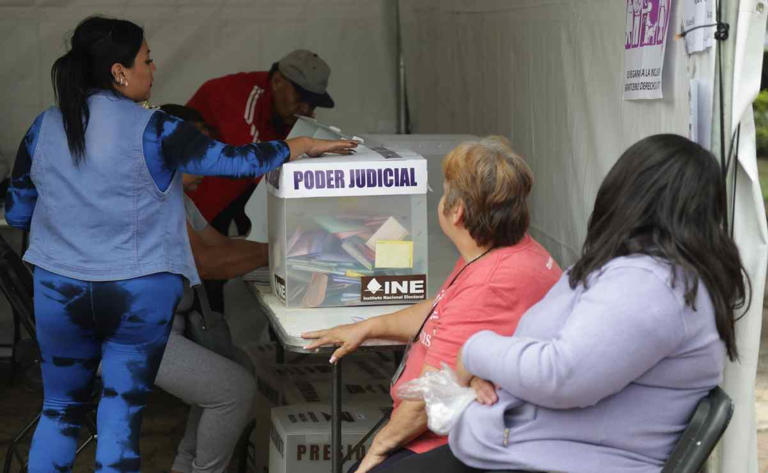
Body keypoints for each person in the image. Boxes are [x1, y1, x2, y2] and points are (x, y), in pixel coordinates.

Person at [3, 16, 356, 473]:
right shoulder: (156, 129)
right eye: (146, 60)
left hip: (58, 293)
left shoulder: (43, 127)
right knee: (120, 414)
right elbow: (231, 161)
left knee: (61, 410)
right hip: (132, 295)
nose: (154, 68)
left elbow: (17, 211)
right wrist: (300, 145)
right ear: (118, 72)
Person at [382, 134, 749, 473]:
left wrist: (475, 353)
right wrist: (497, 370)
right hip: (529, 451)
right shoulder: (647, 274)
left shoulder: (650, 284)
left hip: (548, 461)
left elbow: (563, 374)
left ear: (628, 194)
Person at [302, 137, 562, 473]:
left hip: (451, 442)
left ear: (457, 212)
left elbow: (429, 397)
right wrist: (368, 327)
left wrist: (377, 450)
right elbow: (441, 310)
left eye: (444, 192)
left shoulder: (493, 281)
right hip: (442, 432)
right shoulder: (496, 251)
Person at [153, 104, 263, 473]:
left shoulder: (176, 198)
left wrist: (279, 247)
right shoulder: (155, 201)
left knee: (235, 366)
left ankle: (187, 464)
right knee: (234, 389)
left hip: (168, 328)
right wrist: (285, 252)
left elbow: (219, 246)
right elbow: (209, 264)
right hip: (132, 336)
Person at [185, 49, 335, 235]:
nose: (305, 108)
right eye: (300, 98)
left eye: (312, 104)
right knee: (211, 252)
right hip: (199, 191)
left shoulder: (284, 110)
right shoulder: (236, 96)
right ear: (277, 81)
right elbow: (252, 160)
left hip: (233, 186)